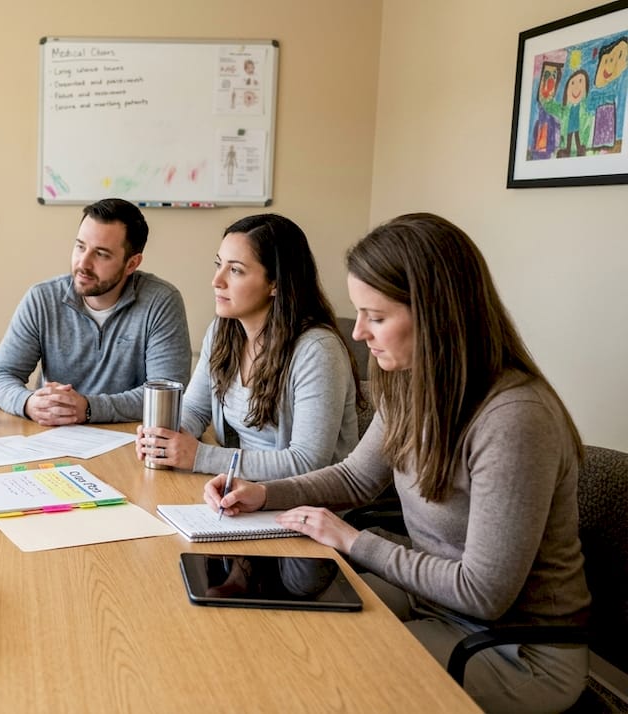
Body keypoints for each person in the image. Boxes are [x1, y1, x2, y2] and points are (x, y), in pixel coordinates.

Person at [206, 213, 589, 713]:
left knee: (318, 677)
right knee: (279, 632)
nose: (359, 332)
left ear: (435, 316)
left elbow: (483, 593)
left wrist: (352, 541)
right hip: (433, 604)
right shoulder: (410, 381)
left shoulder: (516, 418)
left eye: (377, 317)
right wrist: (264, 492)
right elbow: (356, 476)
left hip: (516, 650)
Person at [137, 213, 358, 477]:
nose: (216, 281)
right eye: (219, 265)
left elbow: (307, 463)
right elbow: (195, 409)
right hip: (245, 490)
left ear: (275, 283)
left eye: (235, 270)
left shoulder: (318, 351)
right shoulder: (222, 331)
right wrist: (163, 439)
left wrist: (200, 456)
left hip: (304, 506)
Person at [0, 198, 191, 425]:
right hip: (51, 439)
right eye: (80, 246)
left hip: (130, 441)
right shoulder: (42, 299)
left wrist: (90, 408)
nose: (83, 263)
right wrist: (28, 402)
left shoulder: (161, 302)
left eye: (101, 254)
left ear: (132, 264)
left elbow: (167, 394)